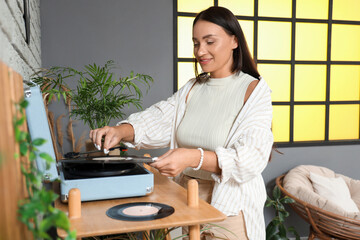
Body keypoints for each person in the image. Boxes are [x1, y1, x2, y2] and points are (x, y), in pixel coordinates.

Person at [90, 6, 273, 240]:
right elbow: (158, 118)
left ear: (234, 41)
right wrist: (119, 131)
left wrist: (190, 157)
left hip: (230, 208)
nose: (200, 51)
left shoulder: (254, 91)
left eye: (209, 42)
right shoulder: (193, 88)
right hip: (184, 198)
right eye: (196, 43)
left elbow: (248, 160)